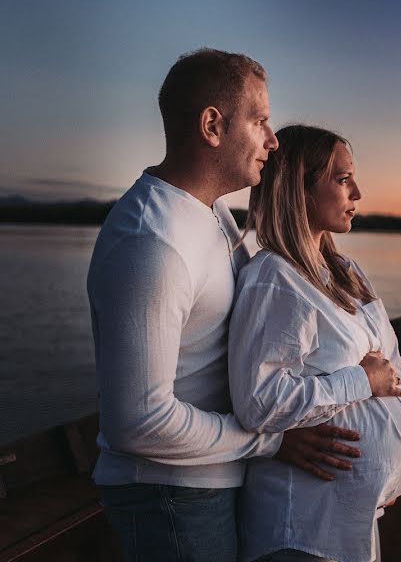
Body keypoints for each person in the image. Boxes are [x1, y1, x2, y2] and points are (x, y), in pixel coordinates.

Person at [86, 49, 363, 562]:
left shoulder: (211, 214)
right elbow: (138, 422)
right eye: (259, 121)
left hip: (209, 480)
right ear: (213, 125)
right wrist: (269, 442)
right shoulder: (152, 241)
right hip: (170, 494)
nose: (273, 140)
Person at [228, 124, 401, 562]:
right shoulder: (275, 279)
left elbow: (386, 365)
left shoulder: (343, 269)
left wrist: (384, 477)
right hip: (303, 529)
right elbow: (259, 402)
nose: (357, 192)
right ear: (300, 189)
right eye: (342, 179)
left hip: (351, 522)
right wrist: (361, 381)